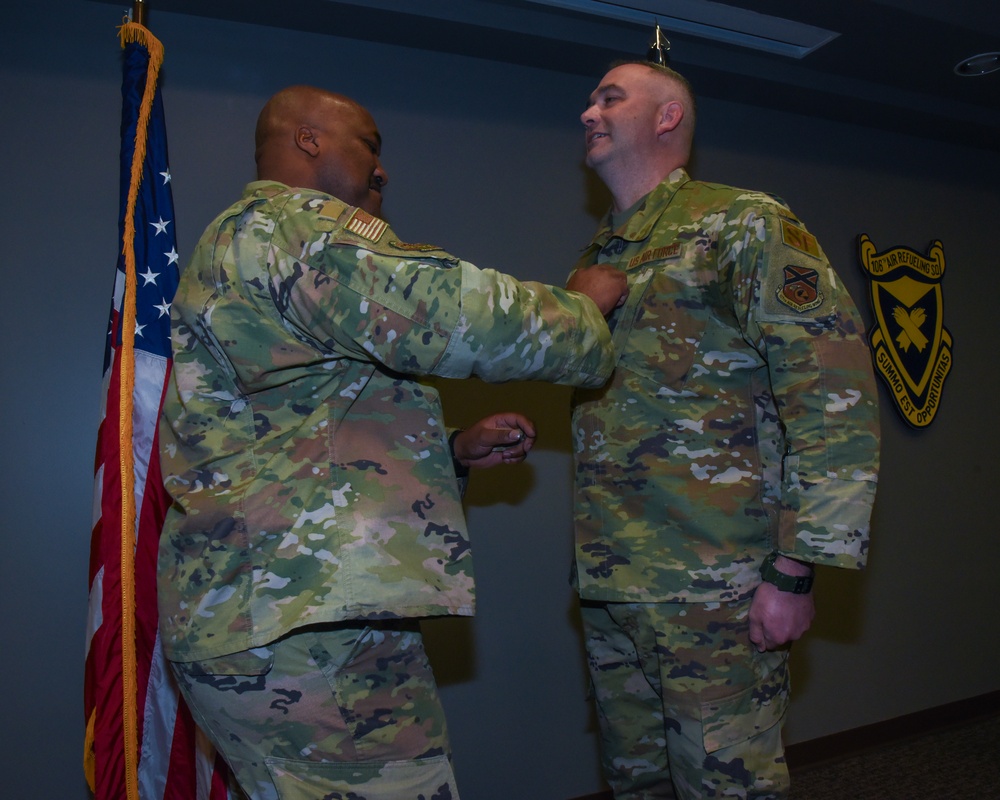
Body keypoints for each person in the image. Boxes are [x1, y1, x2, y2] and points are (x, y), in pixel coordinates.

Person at [158, 84, 626, 800]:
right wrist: (580, 310)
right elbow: (447, 312)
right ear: (309, 140)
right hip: (300, 625)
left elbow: (291, 431)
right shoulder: (290, 226)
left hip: (269, 613)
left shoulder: (247, 240)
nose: (382, 170)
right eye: (369, 145)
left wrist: (449, 451)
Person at [569, 62, 880, 799]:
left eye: (610, 98)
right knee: (636, 781)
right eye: (590, 99)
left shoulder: (743, 223)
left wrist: (796, 568)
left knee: (726, 786)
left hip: (718, 585)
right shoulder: (598, 257)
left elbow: (832, 392)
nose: (588, 111)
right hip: (616, 580)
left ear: (668, 116)